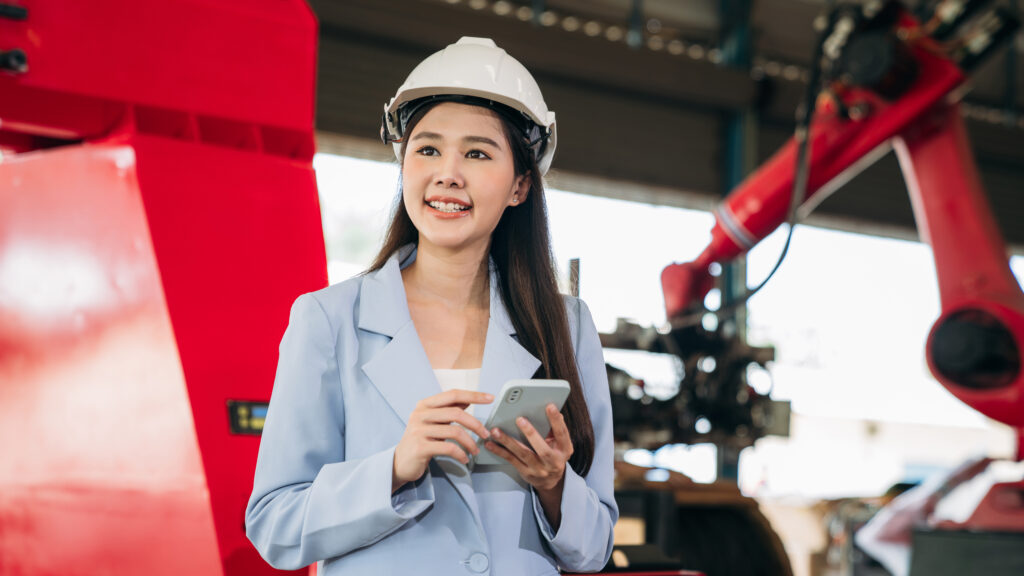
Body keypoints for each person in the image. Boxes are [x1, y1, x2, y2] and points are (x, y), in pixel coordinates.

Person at [245, 37, 618, 575]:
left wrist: (555, 484)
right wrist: (394, 467)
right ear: (404, 165)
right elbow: (274, 525)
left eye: (477, 153)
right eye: (427, 149)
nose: (447, 173)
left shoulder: (567, 327)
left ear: (520, 186)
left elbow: (595, 548)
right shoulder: (329, 321)